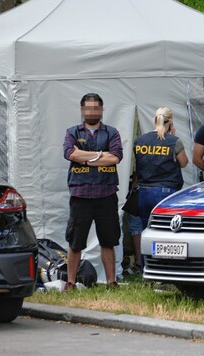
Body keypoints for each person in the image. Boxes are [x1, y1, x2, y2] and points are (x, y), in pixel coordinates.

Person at [63, 93, 123, 290]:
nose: (92, 112)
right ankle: (70, 283)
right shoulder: (72, 132)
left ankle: (111, 282)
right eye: (88, 108)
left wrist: (85, 158)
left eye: (96, 108)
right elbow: (70, 153)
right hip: (80, 195)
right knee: (75, 241)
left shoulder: (112, 133)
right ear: (82, 110)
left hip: (106, 194)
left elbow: (114, 158)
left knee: (108, 240)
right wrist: (99, 155)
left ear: (102, 110)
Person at [134, 107, 188, 248]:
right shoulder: (174, 141)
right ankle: (165, 265)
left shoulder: (140, 141)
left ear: (155, 120)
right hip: (166, 193)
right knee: (168, 233)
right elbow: (184, 163)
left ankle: (146, 266)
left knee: (146, 232)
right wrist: (172, 136)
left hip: (143, 193)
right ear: (170, 123)